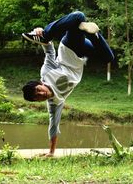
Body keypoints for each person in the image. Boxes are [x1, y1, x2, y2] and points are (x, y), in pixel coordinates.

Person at [21, 11, 114, 157]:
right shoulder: (54, 103)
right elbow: (53, 126)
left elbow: (50, 51)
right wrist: (51, 152)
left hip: (70, 48)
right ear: (38, 101)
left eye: (39, 89)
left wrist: (41, 34)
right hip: (82, 54)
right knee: (108, 57)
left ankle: (48, 32)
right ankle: (91, 32)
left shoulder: (46, 73)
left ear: (40, 83)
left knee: (78, 16)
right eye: (38, 97)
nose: (41, 94)